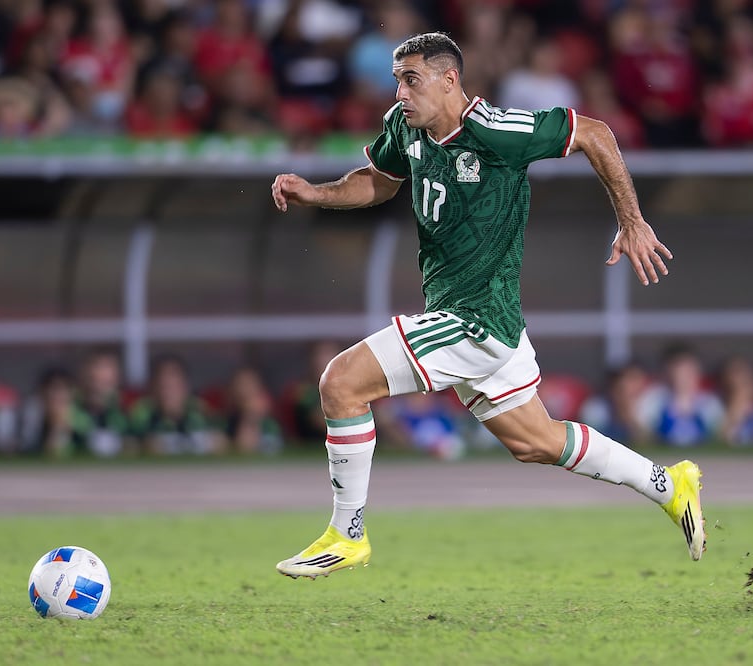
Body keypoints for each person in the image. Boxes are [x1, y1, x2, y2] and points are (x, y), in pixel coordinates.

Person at [269, 32, 705, 579]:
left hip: (474, 321)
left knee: (340, 382)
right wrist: (318, 193)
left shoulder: (496, 131)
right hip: (482, 324)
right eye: (397, 79)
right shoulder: (405, 127)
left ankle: (346, 534)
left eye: (412, 79)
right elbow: (379, 182)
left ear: (449, 80)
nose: (400, 92)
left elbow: (594, 132)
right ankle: (668, 484)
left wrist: (632, 220)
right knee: (537, 442)